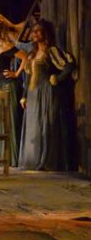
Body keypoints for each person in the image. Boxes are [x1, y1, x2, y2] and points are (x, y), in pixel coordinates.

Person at [18, 20, 77, 171]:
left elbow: (69, 64)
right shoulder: (32, 54)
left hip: (47, 92)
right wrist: (24, 95)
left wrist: (58, 78)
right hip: (33, 93)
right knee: (33, 126)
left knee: (45, 125)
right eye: (33, 31)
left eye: (38, 31)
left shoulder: (51, 51)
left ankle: (47, 160)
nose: (34, 33)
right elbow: (28, 76)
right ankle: (33, 159)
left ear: (46, 33)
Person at [0, 18, 27, 164]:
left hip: (5, 83)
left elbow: (24, 57)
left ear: (1, 29)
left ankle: (6, 156)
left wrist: (16, 73)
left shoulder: (6, 45)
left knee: (6, 118)